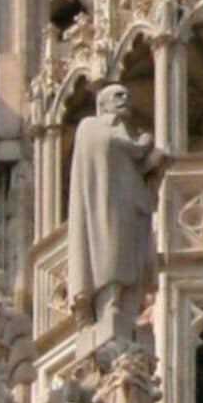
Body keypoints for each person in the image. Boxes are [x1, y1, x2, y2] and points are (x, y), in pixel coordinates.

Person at [64, 84, 158, 324]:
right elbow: (105, 143)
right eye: (118, 95)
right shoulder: (91, 127)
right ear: (103, 103)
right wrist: (139, 146)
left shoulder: (128, 135)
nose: (125, 98)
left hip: (132, 207)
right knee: (109, 254)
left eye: (126, 95)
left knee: (132, 260)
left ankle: (128, 306)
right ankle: (109, 304)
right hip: (104, 205)